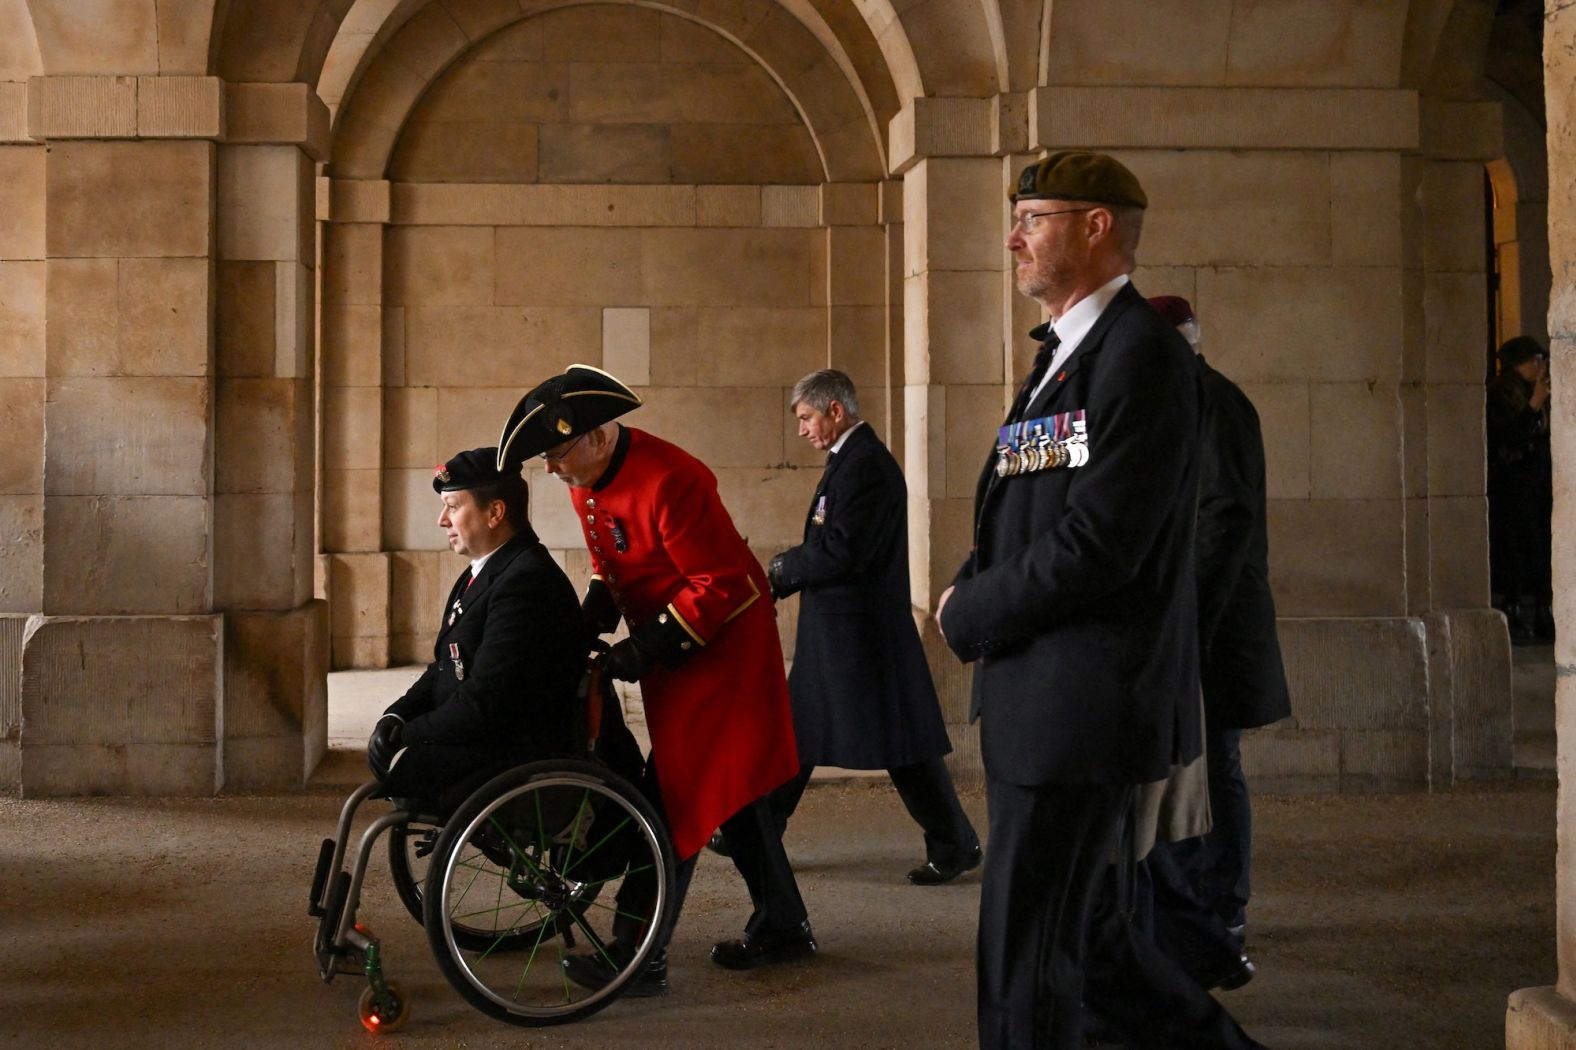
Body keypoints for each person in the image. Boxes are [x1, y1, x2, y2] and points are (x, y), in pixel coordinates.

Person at [936, 151, 1263, 1049]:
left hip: (1080, 702)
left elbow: (1101, 545)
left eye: (1034, 218)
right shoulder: (1067, 356)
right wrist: (979, 571)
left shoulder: (1141, 359)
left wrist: (971, 608)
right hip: (1042, 693)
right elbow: (1032, 502)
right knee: (1093, 939)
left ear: (1097, 226)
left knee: (1025, 957)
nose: (1013, 237)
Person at [496, 365, 814, 997]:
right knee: (733, 793)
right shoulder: (583, 476)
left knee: (676, 797)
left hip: (723, 647)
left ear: (598, 438)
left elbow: (720, 585)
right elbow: (610, 557)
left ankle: (636, 955)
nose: (553, 470)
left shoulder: (675, 479)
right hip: (675, 645)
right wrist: (591, 617)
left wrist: (641, 649)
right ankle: (784, 923)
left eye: (558, 455)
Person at [763, 368, 980, 885]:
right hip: (842, 631)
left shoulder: (865, 466)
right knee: (806, 732)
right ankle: (759, 829)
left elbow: (842, 551)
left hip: (858, 633)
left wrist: (781, 569)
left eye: (807, 418)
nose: (802, 430)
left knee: (901, 743)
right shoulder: (851, 461)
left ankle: (955, 842)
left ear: (836, 411)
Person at [1145, 295, 1291, 983]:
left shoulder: (1215, 403)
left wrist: (1183, 615)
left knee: (1220, 766)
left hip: (1214, 625)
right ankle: (1196, 908)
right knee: (1196, 767)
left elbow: (1225, 519)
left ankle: (1223, 906)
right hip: (1192, 621)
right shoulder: (1180, 402)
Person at [366, 448, 584, 804]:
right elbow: (443, 667)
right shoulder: (485, 572)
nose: (442, 519)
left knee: (407, 768)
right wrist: (396, 715)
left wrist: (409, 734)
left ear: (495, 512)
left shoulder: (525, 582)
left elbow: (486, 703)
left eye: (453, 507)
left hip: (513, 752)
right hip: (487, 738)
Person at [1486, 335, 1553, 643]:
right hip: (1514, 484)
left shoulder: (1531, 389)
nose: (1539, 367)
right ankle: (1514, 610)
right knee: (1516, 548)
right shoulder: (1502, 392)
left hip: (1537, 482)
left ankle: (1542, 610)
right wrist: (1536, 402)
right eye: (1534, 361)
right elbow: (1509, 436)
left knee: (1539, 546)